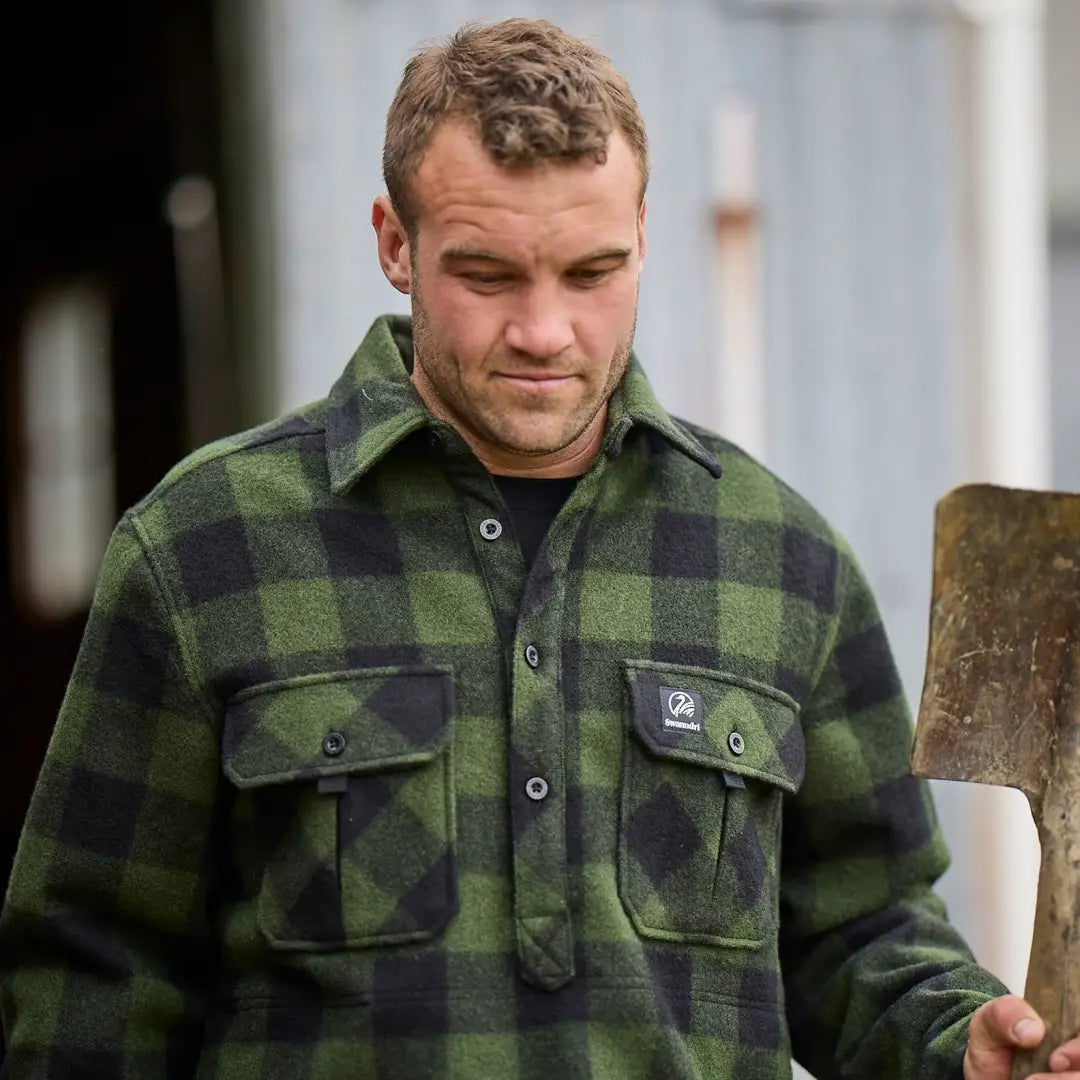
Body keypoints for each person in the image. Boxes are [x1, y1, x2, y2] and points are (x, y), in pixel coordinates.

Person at [0, 17, 1075, 1080]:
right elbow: (97, 971)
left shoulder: (782, 561)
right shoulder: (206, 551)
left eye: (591, 271)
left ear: (644, 239)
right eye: (489, 276)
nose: (545, 332)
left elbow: (863, 928)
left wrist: (958, 1045)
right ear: (393, 242)